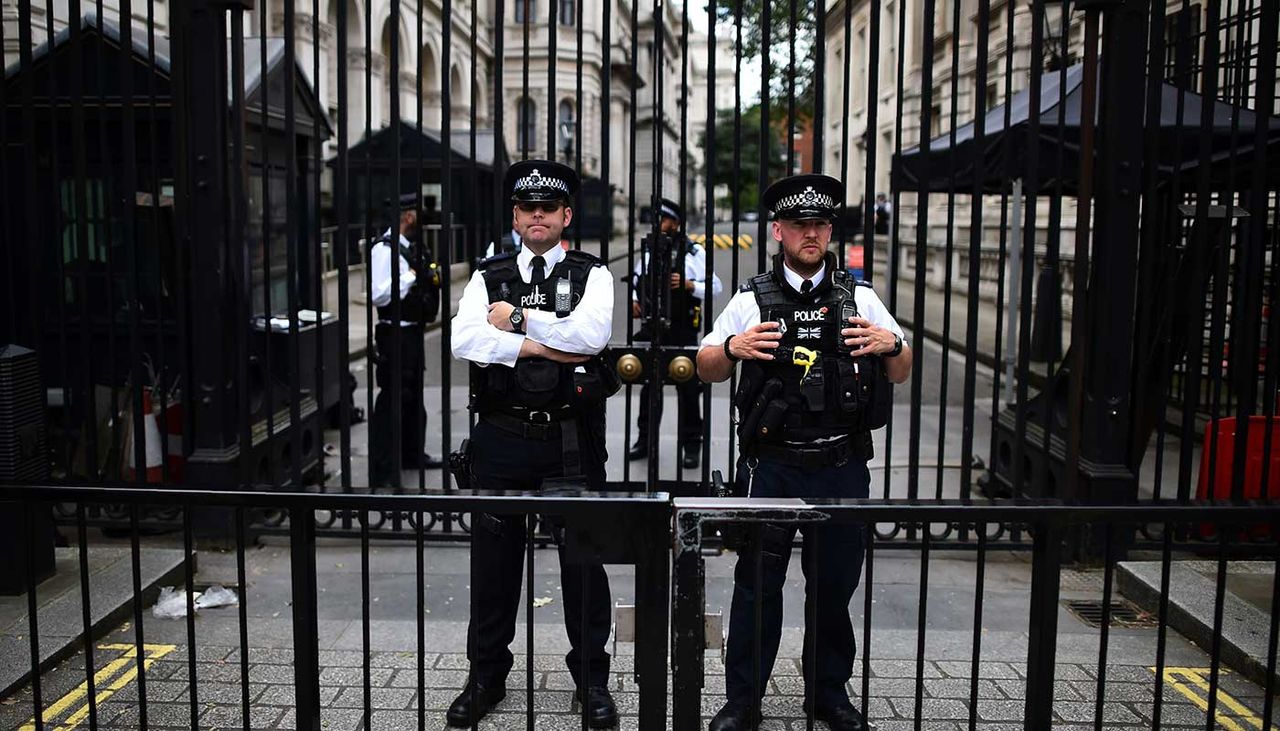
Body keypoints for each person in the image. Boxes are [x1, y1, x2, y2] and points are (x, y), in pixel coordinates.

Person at [695, 174, 913, 731]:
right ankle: (744, 699)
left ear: (829, 230)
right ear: (778, 232)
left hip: (841, 465)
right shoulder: (751, 298)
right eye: (798, 225)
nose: (809, 233)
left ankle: (828, 695)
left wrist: (895, 344)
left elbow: (901, 370)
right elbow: (705, 365)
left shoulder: (859, 295)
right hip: (774, 467)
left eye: (818, 224)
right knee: (757, 588)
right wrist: (730, 347)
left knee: (835, 586)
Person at [448, 160, 619, 728]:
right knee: (493, 566)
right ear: (516, 217)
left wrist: (517, 322)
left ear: (566, 216)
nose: (538, 216)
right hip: (501, 436)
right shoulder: (487, 275)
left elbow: (592, 337)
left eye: (549, 208)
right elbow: (465, 338)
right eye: (528, 208)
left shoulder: (593, 272)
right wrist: (546, 344)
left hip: (569, 440)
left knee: (582, 565)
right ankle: (486, 678)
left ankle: (592, 682)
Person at [627, 197, 723, 469]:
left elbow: (716, 286)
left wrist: (691, 285)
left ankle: (691, 446)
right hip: (655, 329)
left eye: (664, 220)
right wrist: (636, 299)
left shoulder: (693, 252)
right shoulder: (649, 250)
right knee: (650, 389)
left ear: (676, 224)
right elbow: (637, 279)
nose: (658, 224)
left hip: (683, 329)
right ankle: (644, 440)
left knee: (689, 390)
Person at [368, 193, 442, 489]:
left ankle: (411, 454)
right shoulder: (385, 250)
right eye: (419, 213)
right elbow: (379, 294)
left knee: (413, 397)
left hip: (412, 332)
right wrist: (412, 275)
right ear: (408, 216)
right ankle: (383, 470)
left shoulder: (409, 247)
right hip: (394, 334)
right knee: (392, 401)